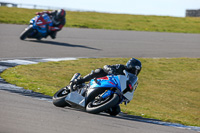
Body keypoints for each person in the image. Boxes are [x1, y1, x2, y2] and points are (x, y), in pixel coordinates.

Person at [71, 58, 142, 86]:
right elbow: (106, 66)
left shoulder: (133, 80)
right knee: (99, 71)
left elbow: (130, 91)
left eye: (137, 71)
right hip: (106, 80)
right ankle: (81, 80)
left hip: (116, 89)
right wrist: (110, 69)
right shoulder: (120, 67)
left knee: (115, 111)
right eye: (134, 69)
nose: (135, 72)